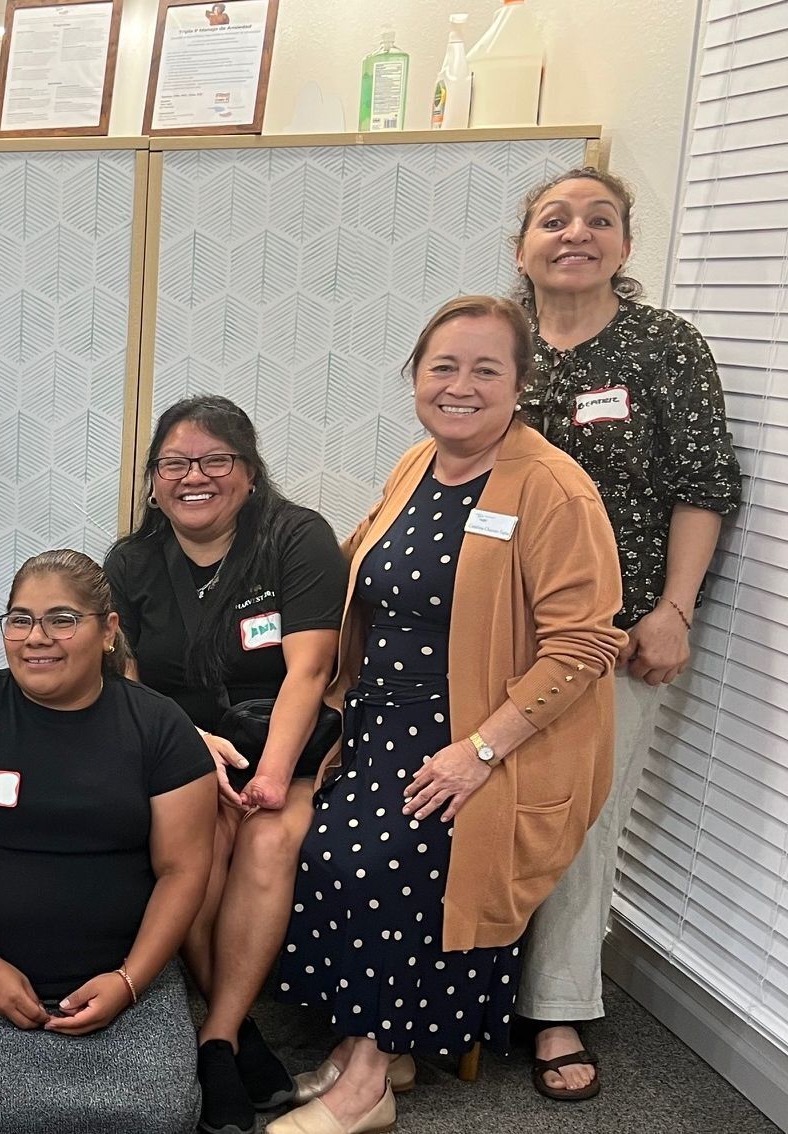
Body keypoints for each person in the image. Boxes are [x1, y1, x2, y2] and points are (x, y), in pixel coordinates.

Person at [271, 296, 627, 1134]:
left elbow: (583, 645)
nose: (460, 386)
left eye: (485, 370)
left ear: (520, 385)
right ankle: (378, 1046)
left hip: (487, 739)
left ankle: (365, 1090)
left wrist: (481, 750)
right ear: (416, 378)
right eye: (443, 367)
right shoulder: (415, 466)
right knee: (328, 857)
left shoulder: (552, 490)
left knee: (396, 871)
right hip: (384, 725)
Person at [509, 167, 744, 1101]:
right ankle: (467, 989)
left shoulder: (663, 348)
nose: (577, 234)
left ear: (626, 245)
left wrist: (674, 608)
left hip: (616, 631)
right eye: (554, 220)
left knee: (584, 816)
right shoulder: (501, 342)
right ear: (521, 244)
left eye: (598, 221)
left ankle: (559, 1007)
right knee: (487, 801)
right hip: (501, 623)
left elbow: (704, 483)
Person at [0, 550, 216, 1134]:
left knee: (160, 1116)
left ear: (108, 631)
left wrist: (130, 982)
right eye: (19, 620)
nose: (35, 638)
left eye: (61, 620)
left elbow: (185, 870)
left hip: (127, 985)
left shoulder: (162, 727)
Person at [103, 396, 347, 1134]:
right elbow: (129, 682)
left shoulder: (297, 539)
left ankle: (217, 1034)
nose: (194, 476)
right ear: (152, 482)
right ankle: (236, 1041)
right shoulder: (133, 561)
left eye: (215, 460)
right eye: (175, 463)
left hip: (290, 742)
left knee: (270, 835)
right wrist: (185, 743)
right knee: (197, 840)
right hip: (184, 746)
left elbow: (309, 672)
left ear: (247, 471)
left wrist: (270, 777)